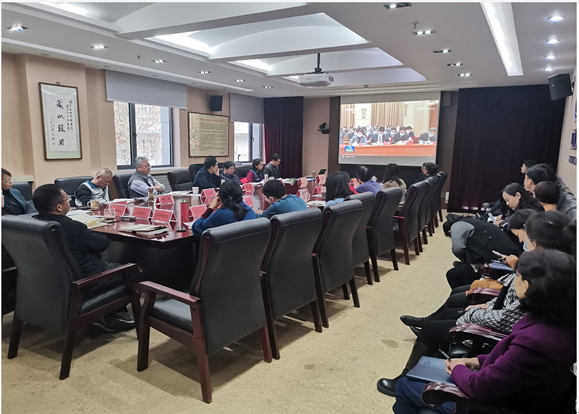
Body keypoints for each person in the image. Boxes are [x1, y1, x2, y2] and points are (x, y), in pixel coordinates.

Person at [393, 249, 576, 414]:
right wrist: (476, 361)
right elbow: (516, 362)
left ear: (527, 286)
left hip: (498, 404)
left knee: (404, 386)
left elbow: (480, 387)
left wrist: (458, 369)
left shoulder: (536, 341)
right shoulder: (562, 321)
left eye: (518, 275)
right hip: (521, 392)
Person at [32, 184, 137, 332]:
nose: (69, 201)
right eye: (67, 199)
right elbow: (102, 243)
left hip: (49, 280)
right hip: (82, 281)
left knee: (111, 265)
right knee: (129, 270)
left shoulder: (33, 224)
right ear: (59, 207)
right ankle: (111, 316)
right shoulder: (71, 227)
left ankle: (109, 314)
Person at [444, 215, 522, 289]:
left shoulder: (457, 226)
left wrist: (463, 259)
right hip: (510, 258)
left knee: (452, 274)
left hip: (497, 262)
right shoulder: (474, 221)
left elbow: (457, 249)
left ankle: (469, 294)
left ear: (450, 232)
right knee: (462, 269)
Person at [192, 180, 256, 236]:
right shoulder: (249, 210)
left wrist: (210, 208)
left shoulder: (221, 214)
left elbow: (197, 228)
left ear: (220, 197)